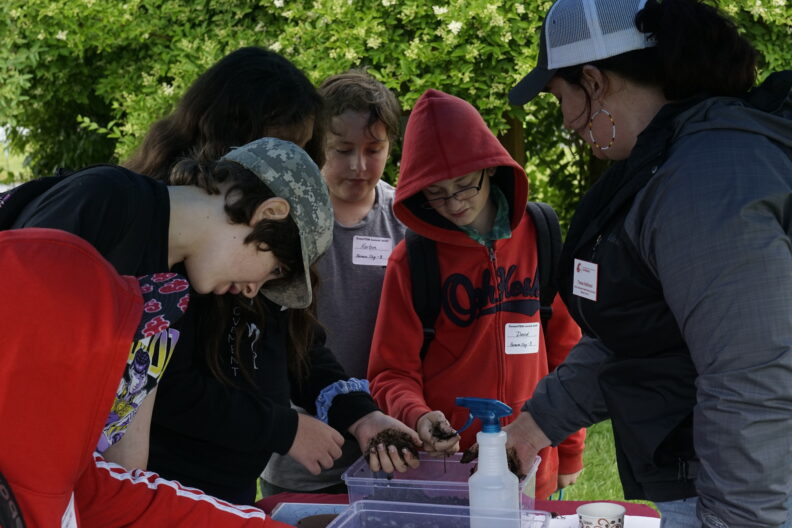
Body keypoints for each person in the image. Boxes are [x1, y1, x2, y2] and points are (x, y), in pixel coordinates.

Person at [505, 0, 792, 525]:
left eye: (559, 97)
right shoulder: (671, 159)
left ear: (593, 81)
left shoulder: (706, 181)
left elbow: (750, 381)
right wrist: (535, 426)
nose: (567, 123)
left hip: (751, 498)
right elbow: (639, 331)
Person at [0, 138, 303, 472]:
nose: (252, 291)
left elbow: (125, 453)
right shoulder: (108, 199)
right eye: (274, 270)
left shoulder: (168, 292)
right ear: (269, 213)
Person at [366, 88, 586, 501]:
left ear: (490, 170)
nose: (453, 203)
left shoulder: (543, 238)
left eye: (465, 186)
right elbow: (390, 372)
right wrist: (417, 414)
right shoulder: (411, 262)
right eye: (436, 192)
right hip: (448, 469)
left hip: (530, 458)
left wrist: (569, 450)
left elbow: (568, 358)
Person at [0, 227, 292, 527]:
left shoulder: (64, 462)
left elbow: (138, 503)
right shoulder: (28, 478)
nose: (140, 374)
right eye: (119, 351)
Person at [263, 69, 407, 494]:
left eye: (374, 149)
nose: (359, 166)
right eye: (343, 150)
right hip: (302, 457)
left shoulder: (407, 220)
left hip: (389, 448)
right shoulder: (285, 220)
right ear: (316, 145)